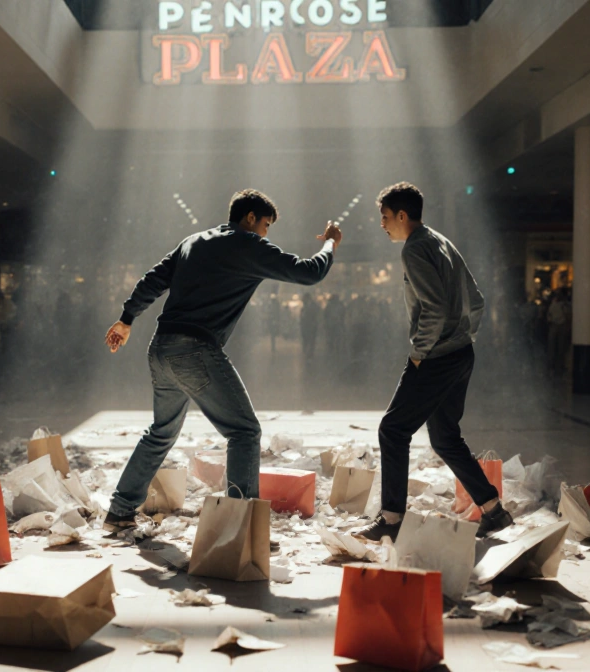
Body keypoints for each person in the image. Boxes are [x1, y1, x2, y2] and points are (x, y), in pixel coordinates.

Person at [101, 189, 341, 532]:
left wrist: (126, 319)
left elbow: (152, 280)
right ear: (250, 218)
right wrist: (330, 244)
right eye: (266, 224)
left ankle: (120, 511)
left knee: (160, 433)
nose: (266, 233)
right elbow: (308, 272)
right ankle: (240, 528)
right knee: (244, 431)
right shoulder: (248, 244)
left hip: (161, 347)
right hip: (195, 350)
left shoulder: (192, 242)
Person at [354, 182, 512, 542]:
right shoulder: (442, 241)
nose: (382, 224)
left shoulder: (415, 249)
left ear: (402, 215)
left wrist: (419, 352)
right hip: (460, 353)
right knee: (444, 437)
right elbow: (477, 299)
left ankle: (391, 521)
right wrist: (465, 337)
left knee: (393, 430)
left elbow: (435, 308)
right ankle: (493, 511)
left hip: (436, 355)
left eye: (385, 217)